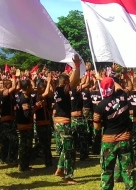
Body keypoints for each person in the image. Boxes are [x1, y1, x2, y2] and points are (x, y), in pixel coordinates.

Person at [94, 76, 136, 190]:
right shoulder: (123, 96)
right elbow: (126, 87)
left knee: (107, 170)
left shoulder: (100, 106)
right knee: (128, 170)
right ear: (113, 86)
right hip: (124, 139)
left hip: (108, 141)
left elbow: (96, 126)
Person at [53, 54, 82, 184]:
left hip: (58, 123)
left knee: (66, 147)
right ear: (65, 82)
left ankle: (59, 168)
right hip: (63, 123)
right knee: (70, 150)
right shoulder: (63, 90)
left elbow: (72, 81)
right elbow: (74, 81)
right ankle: (68, 176)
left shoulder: (57, 90)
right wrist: (76, 66)